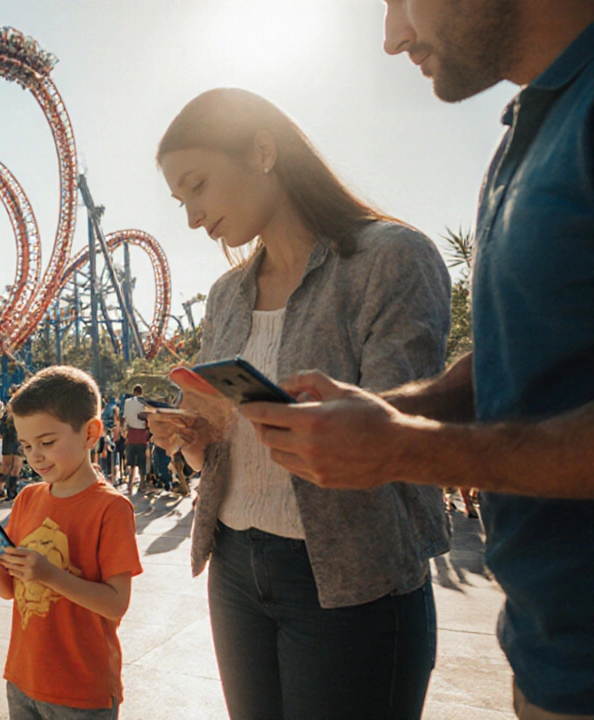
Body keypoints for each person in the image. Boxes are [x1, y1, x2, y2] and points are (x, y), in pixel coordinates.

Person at [233, 6, 594, 718]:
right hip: (549, 651)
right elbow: (515, 356)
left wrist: (403, 447)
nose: (392, 37)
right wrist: (397, 412)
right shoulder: (530, 133)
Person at [150, 88, 450, 718]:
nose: (193, 218)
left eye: (198, 186)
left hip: (348, 578)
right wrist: (202, 446)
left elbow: (408, 431)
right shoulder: (227, 294)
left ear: (263, 150)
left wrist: (333, 429)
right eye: (181, 201)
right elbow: (232, 454)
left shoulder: (390, 259)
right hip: (234, 563)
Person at [0, 366, 141, 717]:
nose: (34, 456)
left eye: (47, 443)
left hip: (81, 688)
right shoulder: (27, 498)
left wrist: (50, 575)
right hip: (23, 675)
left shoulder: (111, 508)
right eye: (27, 445)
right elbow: (10, 590)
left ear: (91, 433)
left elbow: (115, 604)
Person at [121, 385, 149, 493]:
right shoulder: (143, 402)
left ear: (134, 392)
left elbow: (124, 418)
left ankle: (130, 483)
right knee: (142, 461)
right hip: (141, 435)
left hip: (131, 435)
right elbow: (146, 419)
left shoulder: (127, 402)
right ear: (141, 392)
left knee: (131, 462)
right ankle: (142, 483)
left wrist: (124, 431)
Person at [0, 403, 23, 501]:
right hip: (8, 441)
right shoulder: (5, 419)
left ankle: (12, 490)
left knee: (17, 465)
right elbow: (0, 432)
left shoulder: (21, 416)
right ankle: (2, 483)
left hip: (18, 441)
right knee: (6, 466)